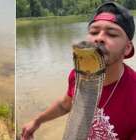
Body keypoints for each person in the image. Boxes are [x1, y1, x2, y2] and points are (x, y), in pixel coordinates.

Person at [21, 2, 136, 140]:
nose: (99, 38)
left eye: (111, 34)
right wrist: (37, 121)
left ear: (127, 48)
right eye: (93, 32)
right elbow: (65, 105)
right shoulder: (79, 75)